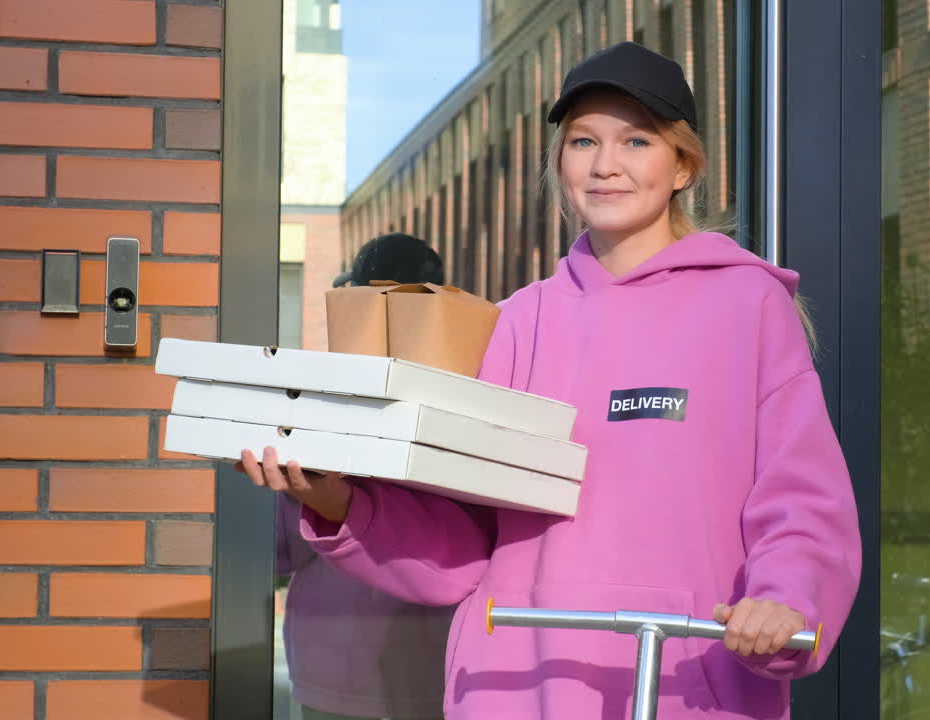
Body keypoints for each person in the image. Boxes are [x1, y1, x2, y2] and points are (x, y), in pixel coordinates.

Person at [244, 42, 862, 720]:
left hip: (685, 682)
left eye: (635, 140)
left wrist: (785, 598)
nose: (605, 165)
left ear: (682, 163)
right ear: (559, 162)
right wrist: (338, 501)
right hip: (515, 690)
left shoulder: (747, 307)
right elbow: (463, 539)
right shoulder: (515, 322)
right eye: (582, 142)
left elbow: (802, 500)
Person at [278, 233, 453, 720]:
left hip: (333, 665)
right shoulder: (460, 402)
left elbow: (275, 549)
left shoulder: (317, 404)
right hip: (432, 663)